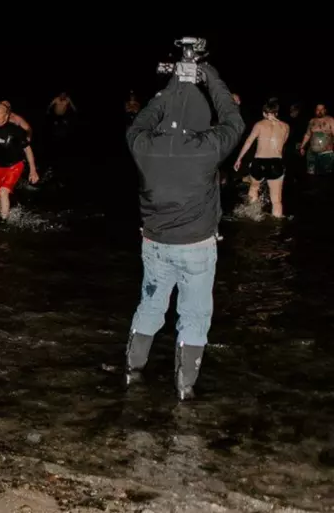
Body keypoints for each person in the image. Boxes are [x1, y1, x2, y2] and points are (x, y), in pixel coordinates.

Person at [124, 64, 244, 401]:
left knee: (150, 306)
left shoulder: (143, 146)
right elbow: (234, 120)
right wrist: (210, 76)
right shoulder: (206, 147)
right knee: (194, 313)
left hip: (154, 244)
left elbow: (143, 118)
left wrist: (173, 85)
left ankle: (133, 372)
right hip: (196, 247)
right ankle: (184, 386)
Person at [234, 98, 289, 217]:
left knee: (254, 189)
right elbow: (283, 143)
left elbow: (249, 141)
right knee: (276, 200)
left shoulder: (259, 125)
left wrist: (239, 159)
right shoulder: (285, 127)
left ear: (264, 113)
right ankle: (277, 227)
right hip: (276, 163)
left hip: (259, 162)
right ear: (276, 113)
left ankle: (253, 216)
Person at [299, 103, 334, 176]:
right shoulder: (312, 121)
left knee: (325, 176)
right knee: (311, 175)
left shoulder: (331, 120)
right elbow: (307, 135)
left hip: (326, 153)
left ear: (325, 110)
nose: (320, 111)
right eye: (318, 109)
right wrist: (302, 147)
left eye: (322, 109)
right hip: (312, 153)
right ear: (315, 111)